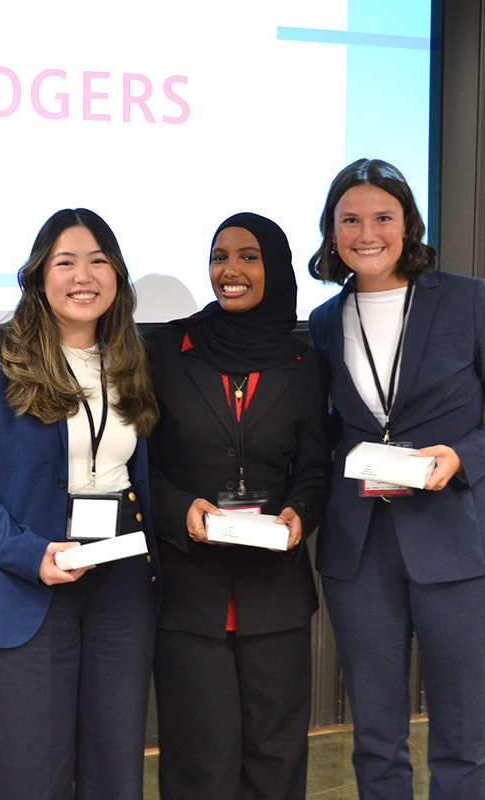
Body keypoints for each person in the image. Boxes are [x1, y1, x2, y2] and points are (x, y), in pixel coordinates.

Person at [306, 159, 485, 800]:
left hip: (460, 543)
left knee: (460, 739)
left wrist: (462, 456)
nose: (367, 232)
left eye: (384, 217)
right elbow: (328, 429)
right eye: (349, 219)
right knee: (375, 737)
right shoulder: (327, 321)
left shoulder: (467, 299)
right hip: (361, 550)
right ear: (331, 231)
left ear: (409, 226)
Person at [0, 208, 160, 800]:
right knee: (32, 771)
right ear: (39, 276)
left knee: (115, 770)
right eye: (65, 262)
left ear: (117, 275)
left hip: (121, 582)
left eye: (98, 260)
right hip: (29, 582)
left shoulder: (131, 355)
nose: (83, 276)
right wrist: (28, 553)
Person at [146, 212, 331, 800]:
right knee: (198, 756)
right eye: (219, 256)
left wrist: (302, 511)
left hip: (274, 590)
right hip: (187, 590)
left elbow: (315, 467)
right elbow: (135, 464)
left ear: (273, 268)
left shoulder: (304, 363)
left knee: (276, 755)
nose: (230, 270)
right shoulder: (166, 352)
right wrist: (180, 511)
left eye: (248, 257)